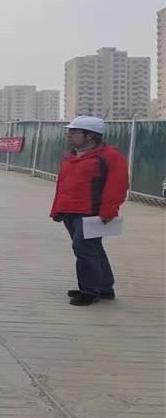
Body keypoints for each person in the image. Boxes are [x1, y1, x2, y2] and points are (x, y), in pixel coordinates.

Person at [50, 116, 128, 306]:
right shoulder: (70, 156)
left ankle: (89, 291)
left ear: (91, 135)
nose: (69, 135)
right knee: (94, 250)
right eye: (68, 131)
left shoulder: (109, 156)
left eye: (74, 132)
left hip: (91, 212)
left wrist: (108, 210)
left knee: (84, 250)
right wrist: (57, 208)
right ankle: (104, 288)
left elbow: (117, 185)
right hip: (70, 211)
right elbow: (63, 185)